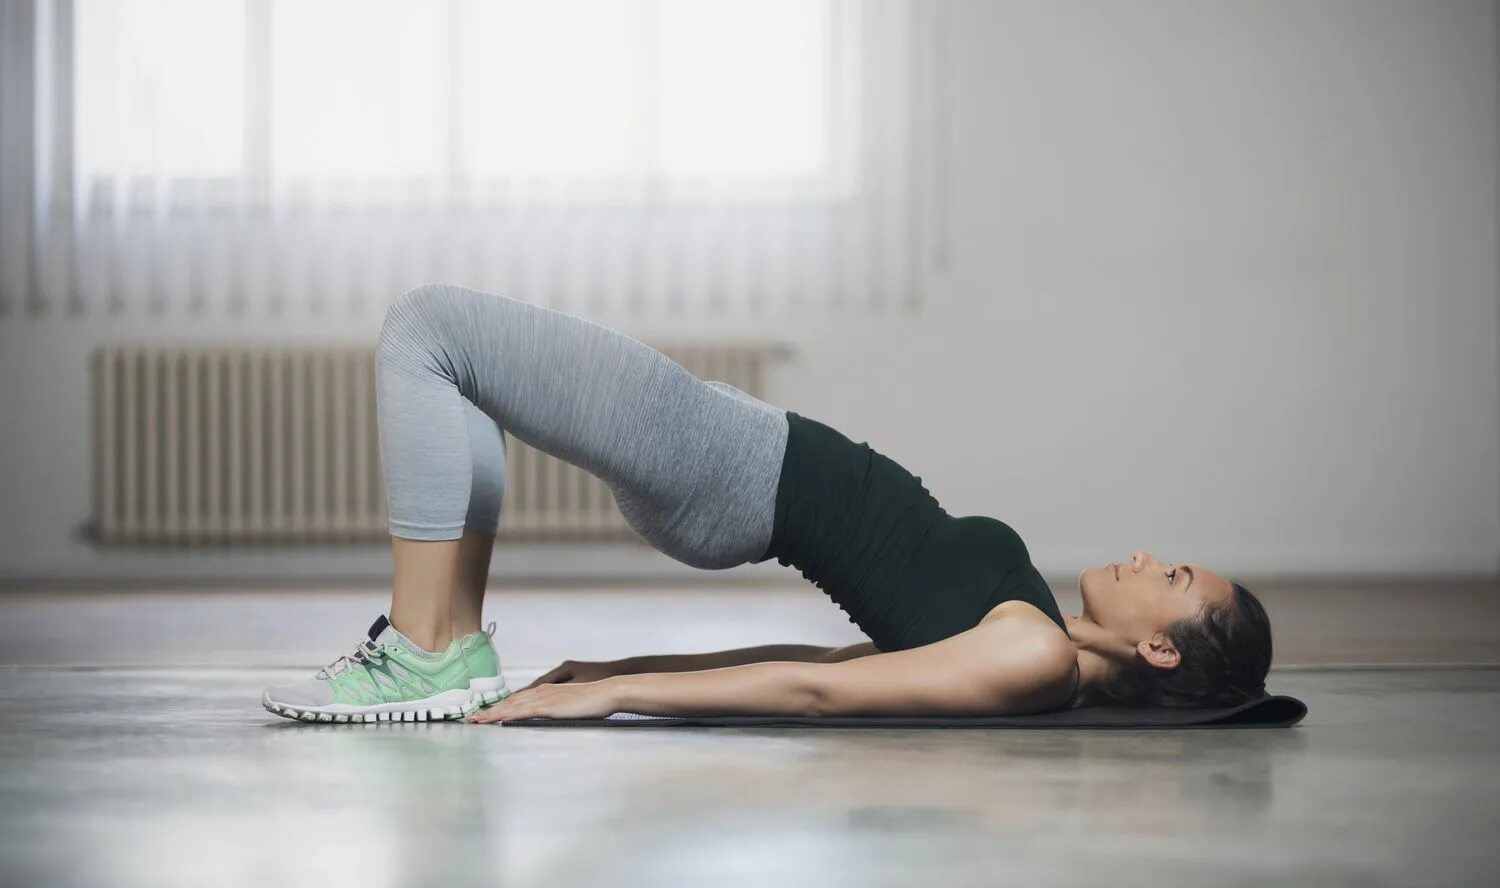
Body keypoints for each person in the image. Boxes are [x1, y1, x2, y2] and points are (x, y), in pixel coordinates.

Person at [261, 283, 1272, 725]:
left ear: (1163, 650)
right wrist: (620, 664)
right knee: (457, 365)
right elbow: (839, 664)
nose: (1148, 557)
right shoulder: (1035, 643)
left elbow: (817, 695)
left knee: (428, 330)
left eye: (1173, 578)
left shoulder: (1036, 657)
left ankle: (427, 648)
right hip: (731, 456)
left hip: (725, 464)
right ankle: (448, 648)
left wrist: (610, 700)